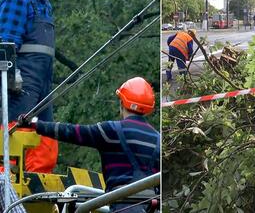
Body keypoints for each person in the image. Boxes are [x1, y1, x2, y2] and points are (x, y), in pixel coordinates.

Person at [18, 77, 160, 213]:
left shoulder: (110, 131)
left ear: (122, 103)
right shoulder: (158, 139)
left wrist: (35, 124)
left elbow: (72, 132)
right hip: (151, 206)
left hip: (123, 205)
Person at [0, 0, 65, 173]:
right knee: (16, 133)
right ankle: (6, 185)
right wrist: (11, 75)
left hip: (43, 81)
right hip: (22, 83)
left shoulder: (44, 3)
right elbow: (6, 41)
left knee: (46, 134)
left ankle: (38, 185)